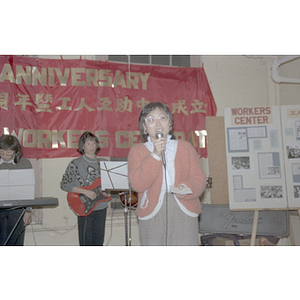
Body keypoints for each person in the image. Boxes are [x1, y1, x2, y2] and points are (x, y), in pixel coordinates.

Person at [128, 102, 207, 246]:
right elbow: (138, 184)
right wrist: (155, 155)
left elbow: (199, 178)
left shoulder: (185, 147)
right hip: (152, 213)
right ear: (144, 128)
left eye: (162, 118)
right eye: (151, 120)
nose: (157, 123)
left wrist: (187, 187)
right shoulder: (137, 151)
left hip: (184, 209)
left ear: (170, 124)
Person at [60, 131, 108, 246]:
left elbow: (110, 184)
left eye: (93, 143)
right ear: (82, 146)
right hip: (84, 205)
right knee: (86, 242)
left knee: (99, 241)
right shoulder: (75, 163)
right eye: (88, 144)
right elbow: (64, 184)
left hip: (101, 206)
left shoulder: (104, 163)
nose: (91, 146)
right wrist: (85, 191)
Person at [0, 135, 33, 246]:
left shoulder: (25, 163)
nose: (4, 156)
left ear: (16, 150)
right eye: (1, 152)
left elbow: (29, 189)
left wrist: (28, 211)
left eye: (8, 152)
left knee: (16, 243)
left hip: (18, 210)